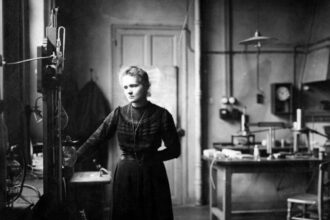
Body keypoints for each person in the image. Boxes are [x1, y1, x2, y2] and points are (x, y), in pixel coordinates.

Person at [75, 66, 181, 220]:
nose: (129, 91)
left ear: (146, 86)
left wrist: (151, 158)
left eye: (134, 86)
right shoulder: (119, 114)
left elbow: (174, 150)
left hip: (153, 174)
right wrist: (75, 157)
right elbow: (96, 138)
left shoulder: (162, 115)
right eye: (125, 87)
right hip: (126, 174)